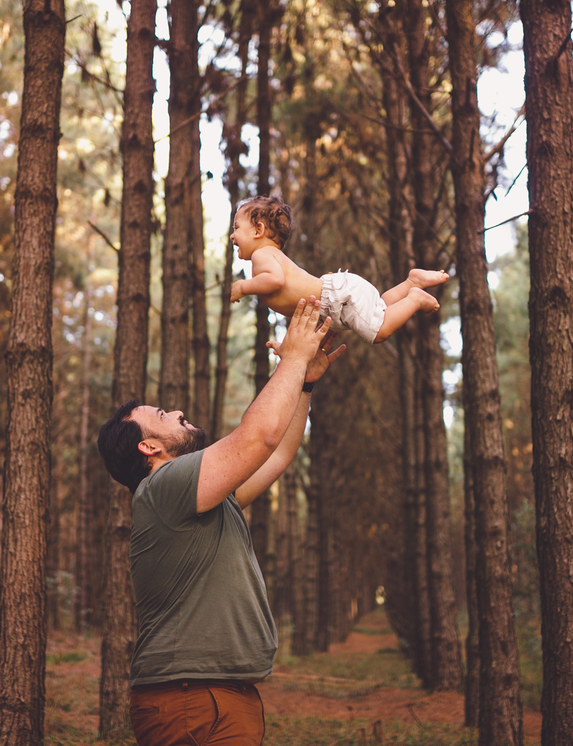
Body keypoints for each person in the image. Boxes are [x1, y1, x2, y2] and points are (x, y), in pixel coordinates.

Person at [97, 297, 345, 746]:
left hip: (213, 695)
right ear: (148, 448)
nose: (174, 412)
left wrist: (303, 384)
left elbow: (278, 451)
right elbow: (259, 435)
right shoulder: (165, 487)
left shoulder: (203, 496)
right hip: (191, 699)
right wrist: (291, 359)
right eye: (161, 416)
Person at [228, 195, 449, 344]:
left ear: (258, 230)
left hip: (335, 297)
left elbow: (275, 280)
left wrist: (243, 286)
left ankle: (415, 298)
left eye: (236, 228)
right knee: (381, 308)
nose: (232, 236)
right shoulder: (272, 255)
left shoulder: (261, 255)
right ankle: (411, 283)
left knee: (379, 331)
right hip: (336, 297)